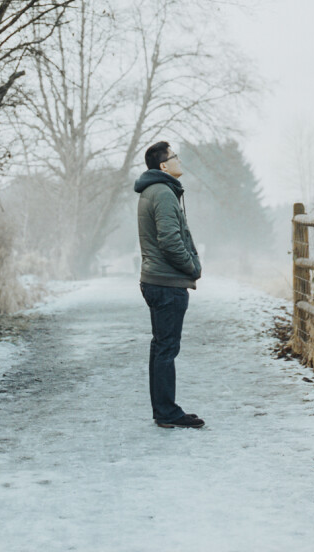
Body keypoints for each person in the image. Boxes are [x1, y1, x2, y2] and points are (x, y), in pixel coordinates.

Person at [134, 141, 205, 429]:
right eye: (174, 157)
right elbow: (170, 240)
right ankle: (166, 411)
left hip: (158, 280)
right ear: (164, 165)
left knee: (161, 347)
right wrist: (192, 267)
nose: (179, 160)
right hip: (166, 283)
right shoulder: (163, 193)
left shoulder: (157, 191)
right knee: (166, 348)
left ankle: (164, 409)